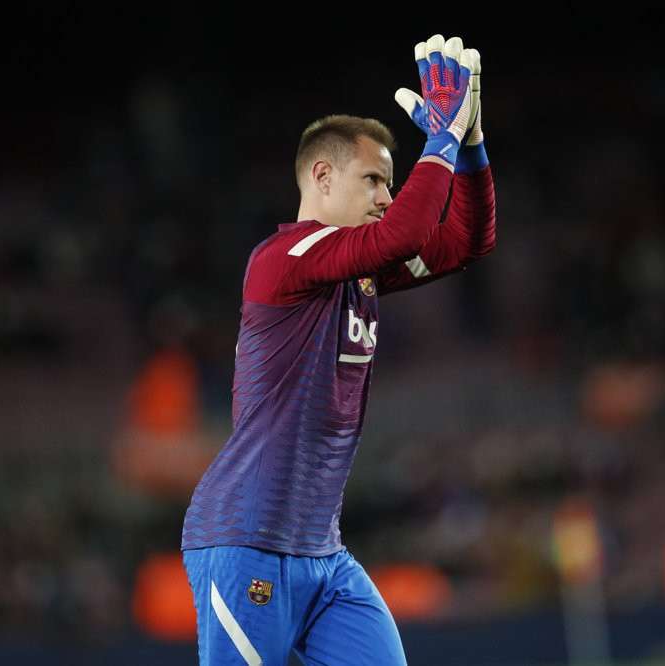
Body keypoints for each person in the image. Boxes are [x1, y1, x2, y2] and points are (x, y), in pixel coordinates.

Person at [181, 34, 495, 665]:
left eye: (391, 181)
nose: (386, 195)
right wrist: (440, 137)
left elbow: (464, 242)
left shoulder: (360, 270)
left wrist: (469, 145)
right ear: (321, 176)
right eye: (374, 179)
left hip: (324, 557)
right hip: (245, 543)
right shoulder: (282, 260)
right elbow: (407, 228)